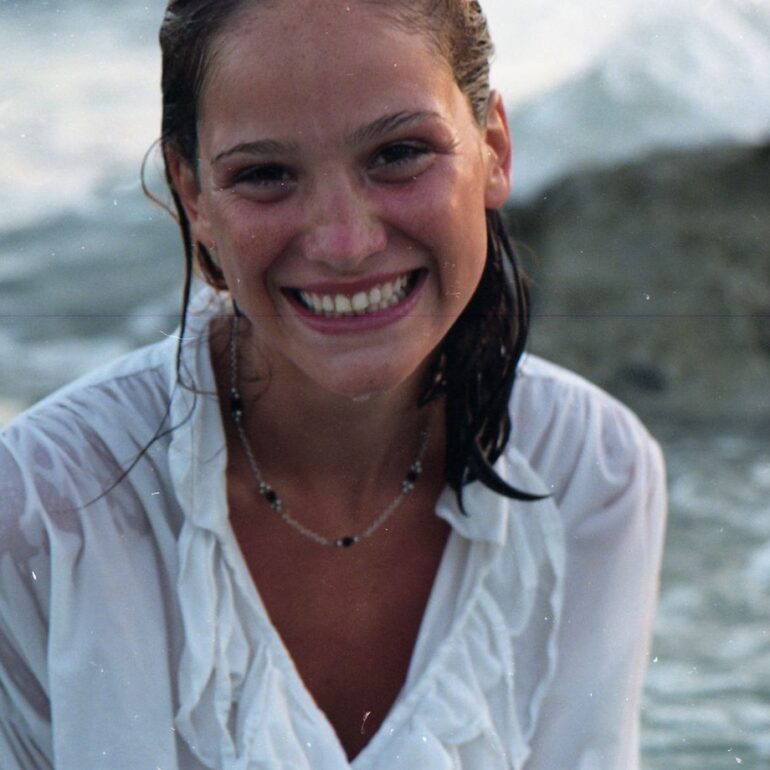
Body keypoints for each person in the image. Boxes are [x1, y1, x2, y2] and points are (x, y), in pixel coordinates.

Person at [0, 0, 666, 768]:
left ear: (493, 148)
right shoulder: (43, 517)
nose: (345, 243)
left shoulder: (588, 472)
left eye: (399, 153)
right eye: (265, 174)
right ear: (194, 197)